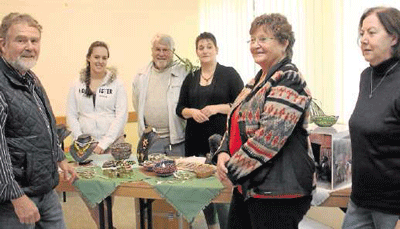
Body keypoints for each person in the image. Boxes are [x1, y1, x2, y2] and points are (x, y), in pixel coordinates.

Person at [214, 13, 315, 229]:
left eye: (263, 39)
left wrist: (231, 170)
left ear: (284, 43)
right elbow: (234, 119)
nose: (255, 45)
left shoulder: (289, 79)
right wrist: (223, 152)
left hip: (277, 191)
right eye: (252, 40)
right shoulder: (257, 79)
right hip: (250, 186)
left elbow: (269, 138)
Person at [0, 13, 76, 228]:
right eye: (21, 40)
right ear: (3, 45)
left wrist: (60, 158)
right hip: (15, 201)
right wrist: (16, 197)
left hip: (44, 191)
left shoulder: (29, 77)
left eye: (34, 41)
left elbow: (45, 123)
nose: (30, 46)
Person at [176, 32, 243, 229]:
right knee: (201, 188)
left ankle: (227, 226)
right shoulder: (191, 77)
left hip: (221, 143)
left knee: (220, 187)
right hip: (194, 140)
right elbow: (180, 109)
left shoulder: (229, 74)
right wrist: (192, 112)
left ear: (216, 50)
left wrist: (216, 108)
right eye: (201, 47)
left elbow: (241, 105)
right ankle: (210, 225)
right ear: (197, 52)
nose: (205, 50)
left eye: (209, 46)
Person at [342, 6, 400, 229]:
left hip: (392, 206)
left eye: (372, 33)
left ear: (394, 37)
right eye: (362, 33)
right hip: (360, 200)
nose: (363, 40)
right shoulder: (366, 76)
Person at [66, 40, 128, 228]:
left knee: (108, 189)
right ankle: (106, 226)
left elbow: (121, 114)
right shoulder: (76, 83)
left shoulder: (116, 83)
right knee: (87, 190)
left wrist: (104, 143)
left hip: (111, 145)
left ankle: (106, 225)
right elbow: (71, 114)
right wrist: (81, 142)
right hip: (84, 148)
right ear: (88, 58)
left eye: (104, 58)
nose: (100, 61)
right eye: (96, 57)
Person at [132, 34, 188, 156]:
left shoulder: (184, 72)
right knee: (151, 173)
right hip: (151, 139)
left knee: (178, 173)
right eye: (158, 49)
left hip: (177, 140)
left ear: (173, 52)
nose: (161, 54)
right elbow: (137, 104)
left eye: (165, 50)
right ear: (152, 51)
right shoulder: (141, 75)